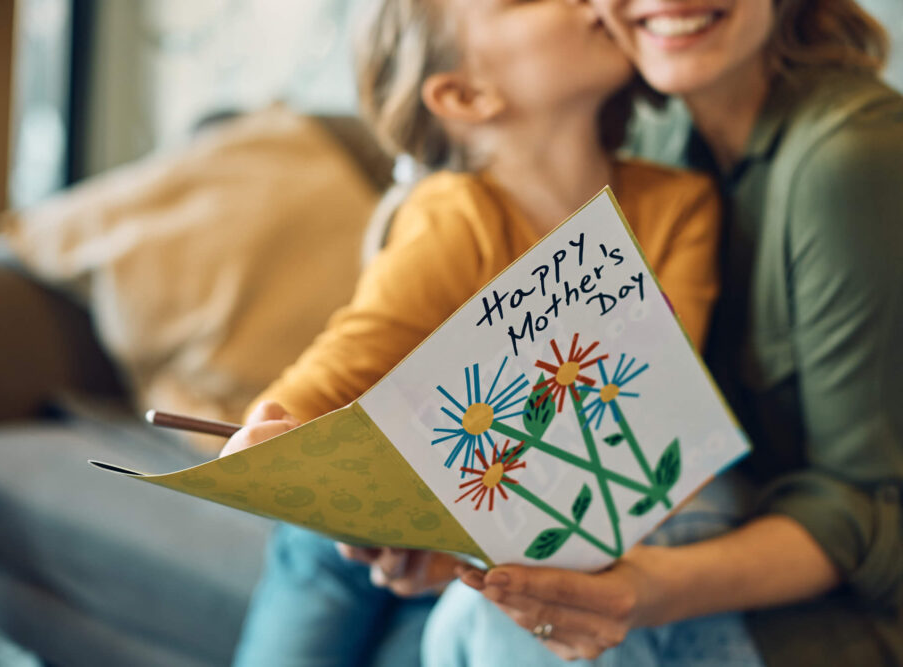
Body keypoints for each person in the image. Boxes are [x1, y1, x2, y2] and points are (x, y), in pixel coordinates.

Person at [422, 0, 903, 665]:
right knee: (439, 610)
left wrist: (637, 591)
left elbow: (858, 517)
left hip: (898, 609)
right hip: (746, 536)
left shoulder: (859, 163)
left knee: (500, 630)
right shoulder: (664, 143)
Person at [223, 0, 726, 664]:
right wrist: (269, 439)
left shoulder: (680, 208)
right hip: (352, 538)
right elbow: (318, 388)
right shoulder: (454, 217)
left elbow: (653, 418)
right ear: (465, 94)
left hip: (491, 537)